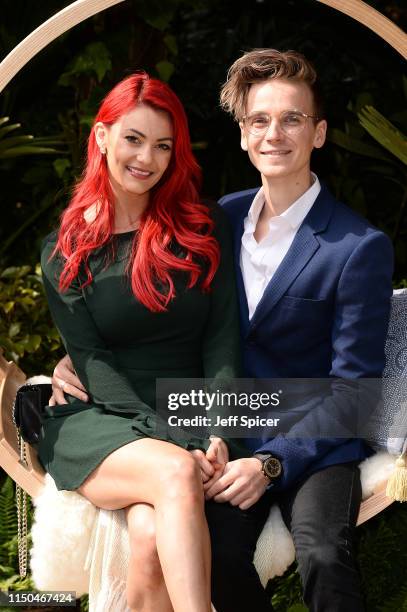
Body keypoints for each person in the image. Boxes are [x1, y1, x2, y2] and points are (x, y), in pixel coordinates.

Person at [52, 49, 394, 611]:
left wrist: (273, 462)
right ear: (242, 135)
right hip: (222, 431)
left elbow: (354, 391)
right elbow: (146, 305)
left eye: (292, 119)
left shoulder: (359, 246)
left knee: (324, 553)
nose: (275, 134)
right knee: (212, 557)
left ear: (320, 132)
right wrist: (81, 358)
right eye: (259, 120)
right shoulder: (217, 220)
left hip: (315, 441)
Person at [39, 72, 270, 612]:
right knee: (174, 470)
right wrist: (177, 442)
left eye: (163, 145)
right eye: (133, 139)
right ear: (101, 137)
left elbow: (220, 338)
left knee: (147, 540)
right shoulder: (64, 251)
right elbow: (93, 363)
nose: (147, 158)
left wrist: (216, 428)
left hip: (190, 406)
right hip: (104, 417)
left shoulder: (200, 223)